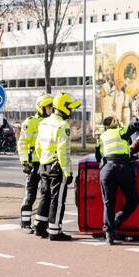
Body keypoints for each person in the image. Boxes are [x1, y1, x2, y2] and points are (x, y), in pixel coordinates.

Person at [32, 92, 81, 240]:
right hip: (57, 167)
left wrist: (44, 160)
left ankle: (39, 227)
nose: (72, 111)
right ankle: (55, 231)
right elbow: (63, 151)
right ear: (63, 108)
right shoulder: (62, 125)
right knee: (57, 200)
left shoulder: (44, 122)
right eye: (70, 108)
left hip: (44, 165)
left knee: (45, 197)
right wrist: (67, 172)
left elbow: (38, 146)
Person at [95, 115, 139, 245]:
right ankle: (116, 220)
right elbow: (138, 125)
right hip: (122, 168)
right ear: (117, 123)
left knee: (108, 203)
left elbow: (98, 156)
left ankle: (109, 233)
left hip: (107, 169)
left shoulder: (102, 137)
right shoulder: (121, 131)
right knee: (133, 200)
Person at [18, 94, 53, 231]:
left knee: (46, 194)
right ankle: (25, 223)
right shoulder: (30, 122)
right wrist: (25, 162)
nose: (51, 109)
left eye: (52, 107)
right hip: (33, 164)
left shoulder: (52, 122)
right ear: (41, 108)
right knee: (30, 194)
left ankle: (42, 224)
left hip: (46, 163)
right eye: (48, 107)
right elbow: (22, 143)